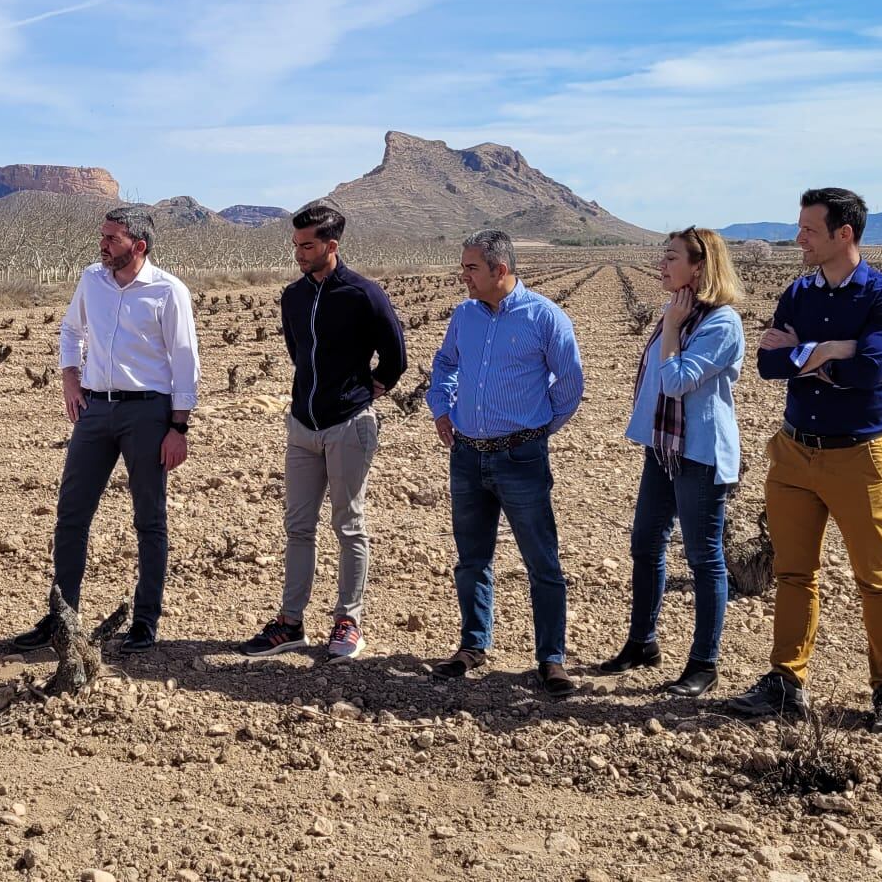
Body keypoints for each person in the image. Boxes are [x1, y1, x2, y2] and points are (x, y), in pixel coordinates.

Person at [726, 188, 882, 737]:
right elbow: (767, 362)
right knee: (792, 573)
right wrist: (836, 349)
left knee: (876, 579)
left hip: (857, 456)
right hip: (793, 453)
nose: (798, 239)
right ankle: (786, 680)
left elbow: (872, 370)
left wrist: (810, 352)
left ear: (843, 234)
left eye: (808, 229)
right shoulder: (799, 291)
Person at [10, 206, 200, 655]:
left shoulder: (168, 292)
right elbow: (71, 329)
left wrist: (179, 427)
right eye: (103, 236)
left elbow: (185, 361)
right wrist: (69, 375)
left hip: (148, 413)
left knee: (149, 518)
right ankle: (62, 616)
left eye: (112, 239)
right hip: (96, 410)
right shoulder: (91, 280)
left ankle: (144, 621)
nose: (102, 245)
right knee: (72, 513)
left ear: (139, 246)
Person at [236, 201, 406, 661]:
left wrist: (367, 390)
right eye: (296, 244)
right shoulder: (293, 296)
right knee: (298, 525)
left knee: (349, 524)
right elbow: (298, 353)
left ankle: (348, 621)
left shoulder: (365, 294)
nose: (299, 253)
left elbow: (395, 357)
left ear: (332, 245)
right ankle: (290, 623)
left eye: (307, 245)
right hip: (302, 426)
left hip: (349, 425)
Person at [425, 229, 584, 694]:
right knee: (471, 558)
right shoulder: (464, 315)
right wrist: (442, 406)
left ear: (500, 269)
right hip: (467, 455)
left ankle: (551, 659)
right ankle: (473, 644)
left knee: (542, 561)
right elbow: (445, 363)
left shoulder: (545, 317)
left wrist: (535, 431)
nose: (464, 276)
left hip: (521, 457)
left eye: (472, 267)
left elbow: (570, 384)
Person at [596, 227, 746, 697]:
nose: (662, 264)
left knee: (704, 558)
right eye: (663, 255)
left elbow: (676, 380)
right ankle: (643, 642)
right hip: (662, 448)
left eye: (672, 257)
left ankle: (704, 663)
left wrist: (674, 331)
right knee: (645, 542)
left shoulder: (721, 323)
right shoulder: (675, 311)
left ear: (699, 267)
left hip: (698, 455)